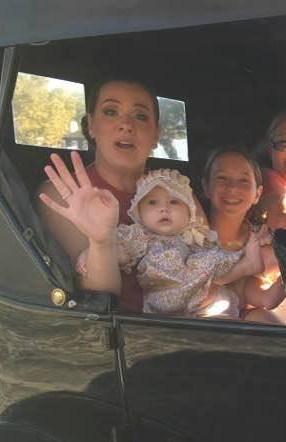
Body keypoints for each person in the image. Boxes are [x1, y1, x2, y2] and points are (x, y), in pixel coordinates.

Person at [37, 77, 203, 312]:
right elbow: (98, 299)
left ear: (156, 134)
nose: (126, 125)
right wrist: (101, 243)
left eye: (140, 116)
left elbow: (211, 258)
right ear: (91, 125)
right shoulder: (62, 193)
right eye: (110, 112)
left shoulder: (178, 191)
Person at [42, 158, 277, 320]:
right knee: (209, 264)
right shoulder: (140, 235)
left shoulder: (190, 239)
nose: (164, 208)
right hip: (165, 302)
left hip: (199, 301)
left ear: (188, 213)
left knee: (213, 261)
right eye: (152, 203)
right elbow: (118, 252)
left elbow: (214, 258)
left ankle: (250, 269)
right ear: (139, 213)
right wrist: (89, 253)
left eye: (174, 202)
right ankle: (246, 265)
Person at [201, 146, 286, 322]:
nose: (233, 188)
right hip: (193, 319)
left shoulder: (260, 240)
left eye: (244, 181)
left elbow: (264, 298)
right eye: (222, 178)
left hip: (238, 313)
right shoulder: (189, 234)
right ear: (206, 187)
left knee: (267, 320)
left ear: (257, 194)